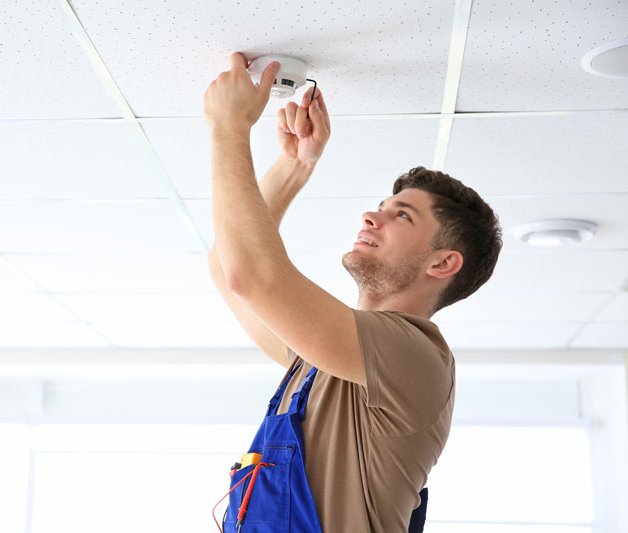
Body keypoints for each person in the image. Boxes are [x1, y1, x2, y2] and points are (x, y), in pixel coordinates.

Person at [204, 52, 502, 532]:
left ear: (443, 263)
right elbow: (230, 271)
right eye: (382, 207)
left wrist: (228, 127)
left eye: (402, 215)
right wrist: (292, 166)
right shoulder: (328, 365)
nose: (371, 216)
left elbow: (248, 275)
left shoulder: (413, 356)